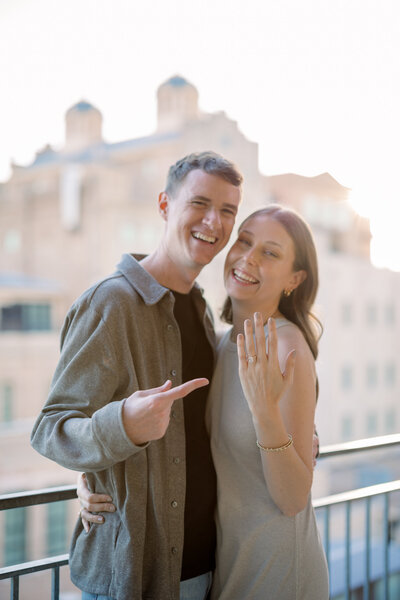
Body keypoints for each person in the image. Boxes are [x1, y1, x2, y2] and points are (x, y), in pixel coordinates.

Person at [78, 205, 329, 599]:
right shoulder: (220, 343)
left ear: (295, 278)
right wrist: (90, 476)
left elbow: (294, 498)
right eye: (244, 242)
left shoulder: (288, 347)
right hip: (226, 566)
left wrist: (265, 412)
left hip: (277, 570)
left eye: (270, 252)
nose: (248, 258)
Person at [30, 151, 243, 600]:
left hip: (205, 567)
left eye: (227, 210)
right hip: (132, 576)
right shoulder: (111, 304)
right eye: (199, 203)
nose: (214, 221)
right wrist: (122, 426)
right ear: (165, 205)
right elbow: (52, 428)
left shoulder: (201, 308)